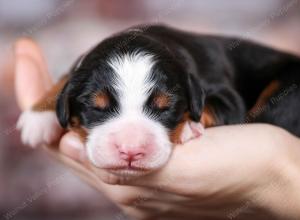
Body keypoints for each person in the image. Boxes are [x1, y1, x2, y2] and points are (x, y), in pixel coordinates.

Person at [14, 38, 300, 220]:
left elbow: (230, 104)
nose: (130, 146)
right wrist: (47, 104)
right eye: (100, 109)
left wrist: (277, 177)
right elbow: (73, 81)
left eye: (163, 109)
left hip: (286, 77)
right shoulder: (81, 76)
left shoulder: (195, 77)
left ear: (192, 97)